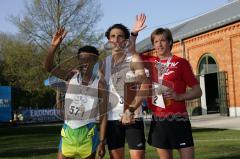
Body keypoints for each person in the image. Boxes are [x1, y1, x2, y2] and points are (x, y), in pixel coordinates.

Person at [44, 27, 107, 159]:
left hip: (88, 132)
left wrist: (102, 141)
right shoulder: (70, 76)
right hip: (68, 130)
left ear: (95, 61)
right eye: (82, 59)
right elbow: (48, 67)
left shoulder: (100, 84)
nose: (85, 62)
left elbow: (103, 116)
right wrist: (53, 46)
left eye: (89, 59)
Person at [145, 27, 202, 159]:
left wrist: (179, 96)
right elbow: (131, 51)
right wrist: (134, 33)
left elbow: (198, 91)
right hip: (158, 120)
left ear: (170, 42)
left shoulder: (181, 63)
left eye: (163, 40)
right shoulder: (150, 63)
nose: (159, 44)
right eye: (156, 41)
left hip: (178, 119)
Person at [103, 13, 148, 159]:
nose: (116, 39)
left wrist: (130, 110)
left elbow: (145, 87)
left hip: (133, 117)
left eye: (120, 36)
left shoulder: (134, 59)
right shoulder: (104, 64)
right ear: (109, 40)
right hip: (112, 120)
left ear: (125, 40)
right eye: (113, 36)